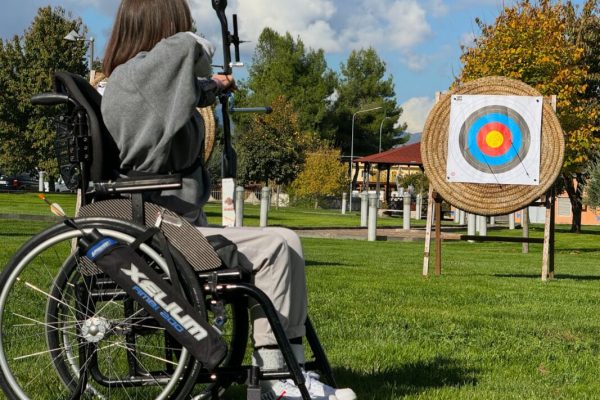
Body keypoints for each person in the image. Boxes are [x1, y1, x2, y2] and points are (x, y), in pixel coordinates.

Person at [100, 1, 356, 399]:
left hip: (158, 221)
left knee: (287, 240)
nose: (184, 29)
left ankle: (286, 371)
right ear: (162, 27)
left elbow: (180, 93)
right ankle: (277, 381)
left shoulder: (136, 80)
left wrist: (213, 87)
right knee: (275, 247)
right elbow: (186, 50)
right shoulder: (135, 77)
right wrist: (197, 40)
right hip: (153, 227)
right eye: (178, 23)